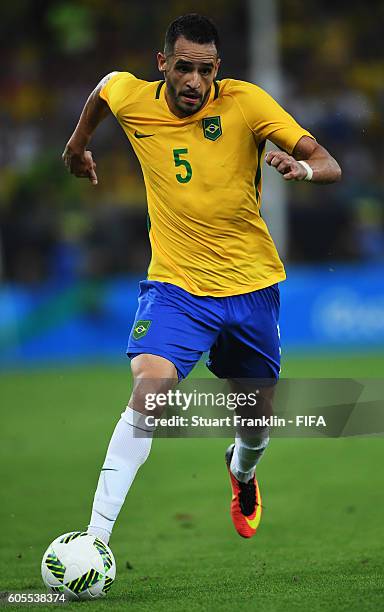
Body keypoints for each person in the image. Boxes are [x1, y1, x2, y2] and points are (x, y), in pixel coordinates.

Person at [62, 13, 341, 543]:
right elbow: (103, 89)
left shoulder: (246, 103)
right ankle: (94, 539)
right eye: (184, 68)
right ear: (162, 64)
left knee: (256, 423)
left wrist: (302, 170)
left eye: (205, 70)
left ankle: (242, 470)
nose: (194, 81)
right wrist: (78, 145)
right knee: (150, 392)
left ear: (218, 69)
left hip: (251, 289)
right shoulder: (133, 96)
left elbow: (328, 161)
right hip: (177, 288)